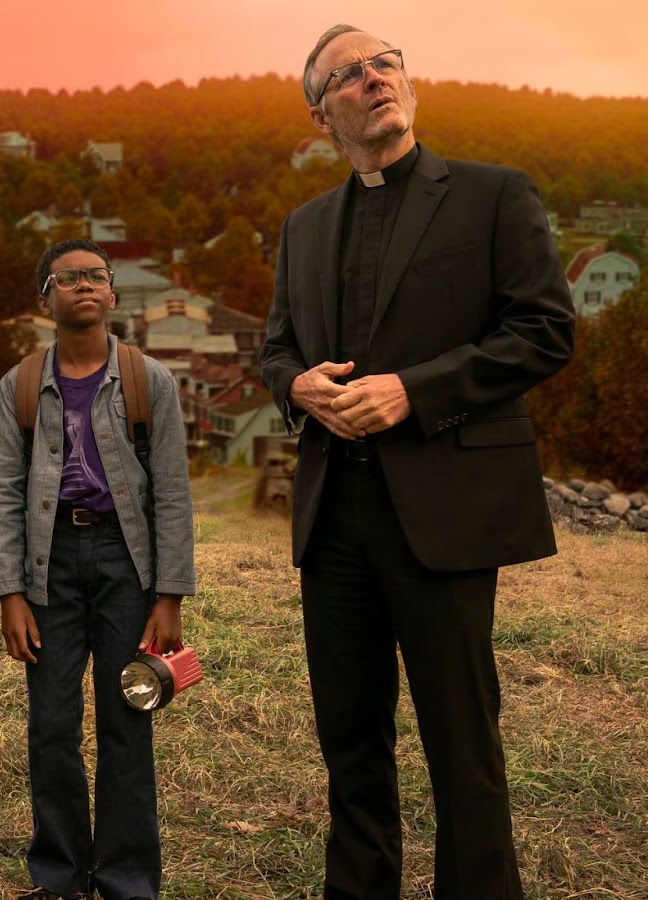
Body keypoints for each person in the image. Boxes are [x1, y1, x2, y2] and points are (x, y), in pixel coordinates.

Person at [259, 25, 575, 900]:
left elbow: (546, 332)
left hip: (445, 512)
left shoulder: (492, 195)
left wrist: (414, 392)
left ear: (407, 82)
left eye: (383, 64)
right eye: (348, 76)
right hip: (334, 522)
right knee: (350, 744)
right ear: (324, 114)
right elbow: (275, 348)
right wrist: (300, 389)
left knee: (461, 747)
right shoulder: (305, 225)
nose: (373, 80)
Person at [0, 239, 195, 900]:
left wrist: (169, 595)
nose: (84, 286)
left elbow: (172, 491)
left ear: (111, 292)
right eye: (67, 278)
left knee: (127, 721)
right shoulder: (19, 384)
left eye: (96, 276)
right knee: (51, 725)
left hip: (125, 563)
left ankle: (128, 880)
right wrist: (10, 592)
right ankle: (60, 877)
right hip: (50, 566)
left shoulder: (145, 379)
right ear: (45, 296)